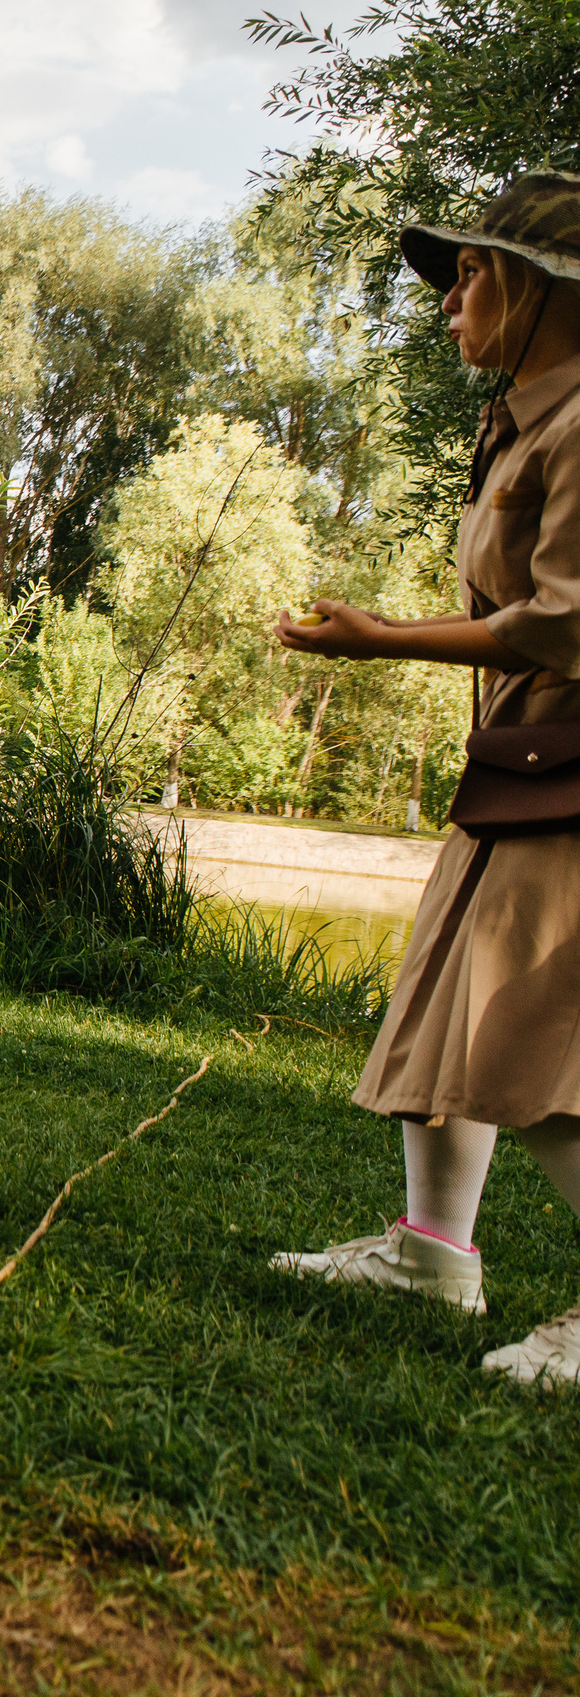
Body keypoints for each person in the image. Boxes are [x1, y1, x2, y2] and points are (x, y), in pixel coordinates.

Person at [269, 170, 580, 1386]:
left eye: (470, 273)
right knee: (447, 992)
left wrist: (383, 639)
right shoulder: (523, 416)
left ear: (535, 285)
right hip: (523, 758)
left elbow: (563, 620)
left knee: (536, 1036)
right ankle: (432, 1252)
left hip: (568, 762)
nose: (450, 299)